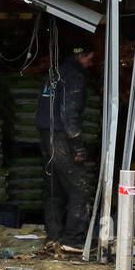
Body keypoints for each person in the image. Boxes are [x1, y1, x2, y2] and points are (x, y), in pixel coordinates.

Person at [35, 44, 96, 254]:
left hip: (46, 134)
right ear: (83, 56)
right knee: (80, 189)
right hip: (61, 136)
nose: (92, 63)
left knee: (54, 189)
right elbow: (70, 112)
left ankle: (54, 236)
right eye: (90, 58)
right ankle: (73, 240)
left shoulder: (56, 74)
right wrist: (78, 146)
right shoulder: (75, 77)